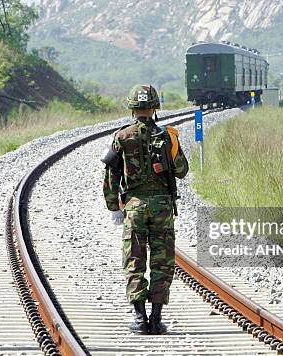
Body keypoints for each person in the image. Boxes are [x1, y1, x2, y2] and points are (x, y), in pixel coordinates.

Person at [102, 84, 189, 335]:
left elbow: (111, 176)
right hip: (162, 207)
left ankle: (140, 319)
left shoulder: (121, 137)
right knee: (162, 261)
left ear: (132, 108)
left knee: (135, 259)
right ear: (155, 108)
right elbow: (182, 171)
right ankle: (157, 319)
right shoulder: (167, 136)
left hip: (135, 207)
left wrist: (113, 208)